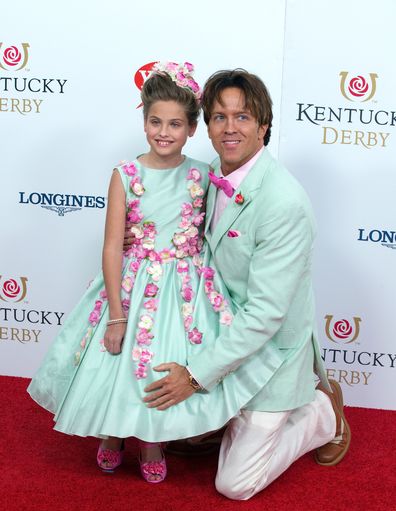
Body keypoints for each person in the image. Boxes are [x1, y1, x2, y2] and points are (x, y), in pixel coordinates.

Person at [27, 63, 268, 483]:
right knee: (119, 362)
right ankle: (113, 433)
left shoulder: (202, 173)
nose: (164, 132)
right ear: (143, 120)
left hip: (185, 289)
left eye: (175, 123)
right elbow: (110, 245)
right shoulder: (126, 174)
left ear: (193, 128)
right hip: (132, 286)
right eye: (155, 121)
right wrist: (117, 314)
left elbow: (210, 229)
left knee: (159, 363)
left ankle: (152, 438)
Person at [142, 69, 351, 499]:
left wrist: (196, 378)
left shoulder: (283, 203)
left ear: (263, 125)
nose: (230, 127)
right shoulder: (208, 176)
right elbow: (173, 226)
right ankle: (221, 419)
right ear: (208, 126)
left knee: (235, 484)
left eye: (242, 117)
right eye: (220, 117)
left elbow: (265, 316)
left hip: (269, 350)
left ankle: (321, 411)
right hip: (214, 328)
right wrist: (138, 236)